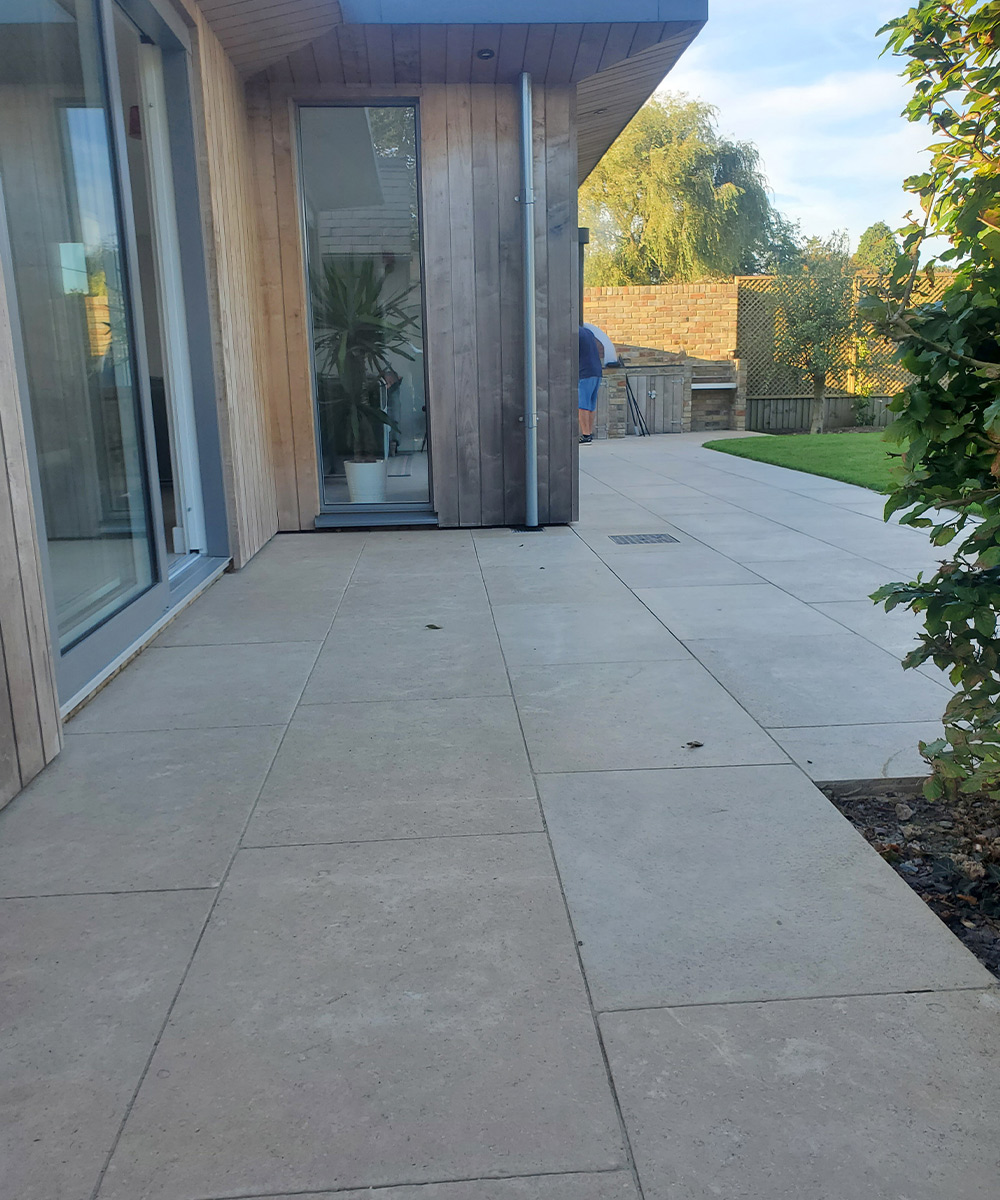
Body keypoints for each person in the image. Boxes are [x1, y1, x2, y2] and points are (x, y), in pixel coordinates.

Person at [578, 324, 602, 443]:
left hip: (585, 372)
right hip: (597, 371)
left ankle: (585, 434)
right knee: (591, 405)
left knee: (582, 405)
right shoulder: (588, 332)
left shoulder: (574, 333)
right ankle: (589, 433)